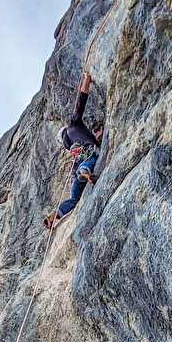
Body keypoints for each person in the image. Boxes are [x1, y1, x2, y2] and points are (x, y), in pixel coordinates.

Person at [44, 72, 103, 228]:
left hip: (75, 164)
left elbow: (92, 136)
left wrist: (96, 134)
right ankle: (85, 171)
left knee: (74, 198)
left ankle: (55, 214)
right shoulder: (74, 126)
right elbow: (80, 104)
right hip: (86, 154)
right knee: (90, 158)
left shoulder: (69, 144)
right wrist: (86, 81)